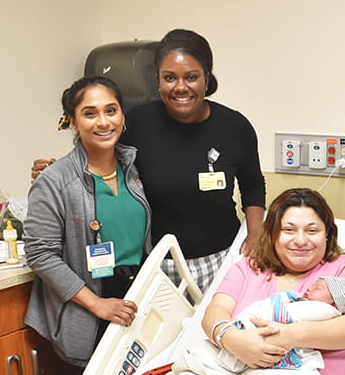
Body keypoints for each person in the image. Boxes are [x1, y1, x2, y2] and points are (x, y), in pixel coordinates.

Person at [34, 29, 266, 290]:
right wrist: (60, 171)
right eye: (169, 78)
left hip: (221, 259)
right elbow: (101, 158)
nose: (180, 87)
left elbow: (253, 185)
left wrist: (255, 234)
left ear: (207, 78)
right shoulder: (137, 123)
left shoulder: (234, 126)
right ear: (157, 79)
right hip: (154, 265)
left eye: (191, 77)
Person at [24, 76, 151, 375]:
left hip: (135, 292)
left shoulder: (133, 167)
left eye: (111, 110)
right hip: (90, 301)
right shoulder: (54, 181)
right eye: (90, 113)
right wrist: (97, 303)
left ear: (122, 116)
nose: (104, 121)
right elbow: (40, 255)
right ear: (72, 122)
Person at [202, 188, 345, 375]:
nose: (301, 240)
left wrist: (288, 336)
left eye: (312, 231)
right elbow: (215, 313)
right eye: (288, 230)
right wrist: (233, 340)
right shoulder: (248, 268)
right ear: (273, 234)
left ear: (328, 235)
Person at [216, 276, 345, 373]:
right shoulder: (305, 302)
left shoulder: (325, 310)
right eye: (312, 285)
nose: (309, 289)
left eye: (318, 288)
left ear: (333, 302)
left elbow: (288, 313)